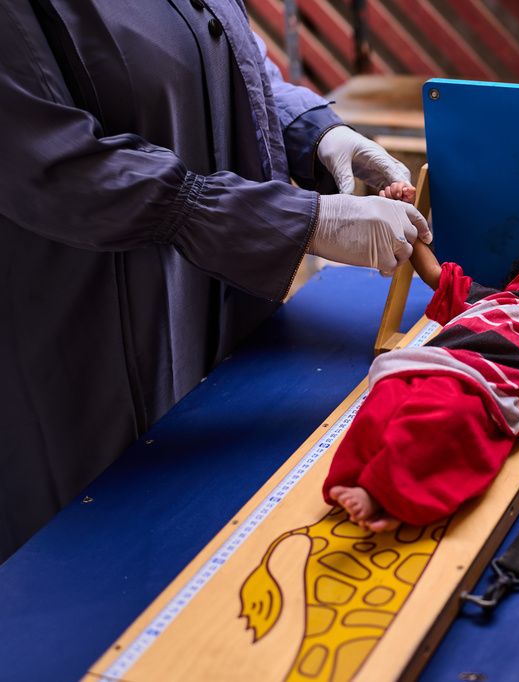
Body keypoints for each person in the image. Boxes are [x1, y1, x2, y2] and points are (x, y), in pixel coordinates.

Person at [0, 0, 431, 562]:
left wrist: (317, 133)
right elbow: (57, 169)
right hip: (84, 344)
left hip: (218, 319)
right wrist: (302, 222)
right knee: (105, 565)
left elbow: (225, 55)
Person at [322, 181, 519, 532]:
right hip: (422, 366)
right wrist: (401, 218)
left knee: (443, 423)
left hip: (480, 387)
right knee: (379, 406)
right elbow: (435, 274)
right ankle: (353, 477)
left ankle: (389, 497)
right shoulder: (486, 298)